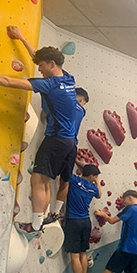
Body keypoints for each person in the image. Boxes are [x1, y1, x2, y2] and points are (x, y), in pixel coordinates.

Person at [0, 26, 78, 238]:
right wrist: (20, 37)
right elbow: (39, 57)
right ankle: (43, 219)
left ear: (52, 64)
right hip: (67, 142)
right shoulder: (68, 79)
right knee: (45, 181)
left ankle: (36, 227)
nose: (38, 69)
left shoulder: (50, 85)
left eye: (41, 66)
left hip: (56, 140)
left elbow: (8, 82)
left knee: (37, 181)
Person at [44, 87, 90, 225]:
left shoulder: (65, 102)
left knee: (45, 177)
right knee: (65, 181)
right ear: (81, 99)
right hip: (72, 145)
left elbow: (44, 115)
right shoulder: (82, 111)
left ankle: (42, 213)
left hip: (58, 140)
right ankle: (55, 214)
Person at [63, 164, 101, 273]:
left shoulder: (74, 180)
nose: (95, 179)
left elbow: (65, 172)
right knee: (83, 253)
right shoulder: (92, 188)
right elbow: (99, 195)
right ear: (91, 176)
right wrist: (96, 182)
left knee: (74, 256)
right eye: (95, 177)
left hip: (73, 222)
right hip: (86, 222)